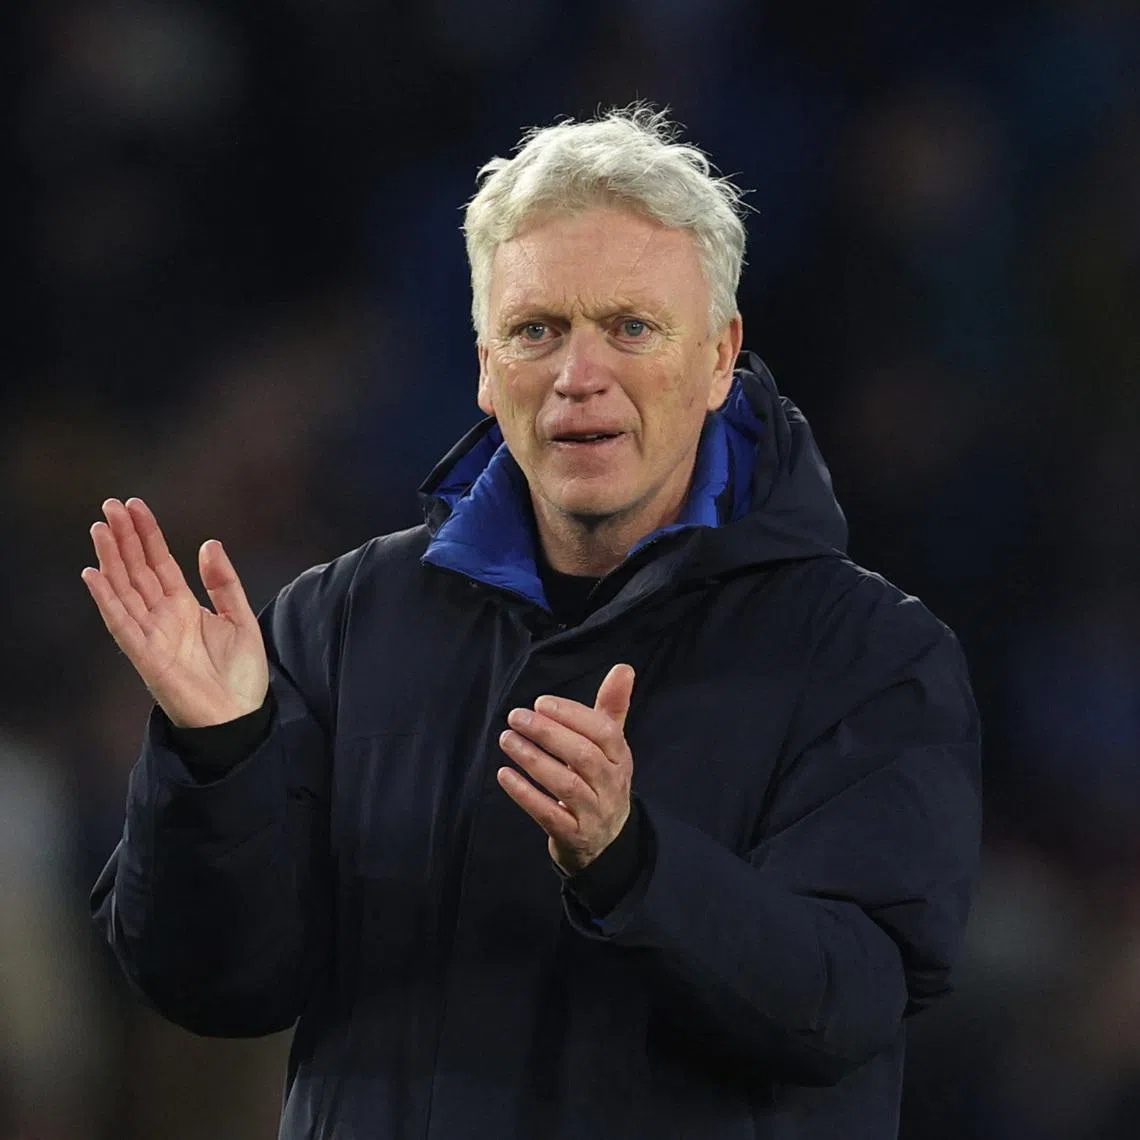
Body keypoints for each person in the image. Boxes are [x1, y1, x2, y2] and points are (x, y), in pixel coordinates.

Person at [86, 107, 982, 1140]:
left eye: (631, 327)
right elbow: (210, 986)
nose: (577, 374)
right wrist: (221, 754)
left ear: (720, 357)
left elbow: (848, 1001)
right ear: (482, 362)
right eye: (536, 330)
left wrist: (633, 864)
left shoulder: (871, 656)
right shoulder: (340, 620)